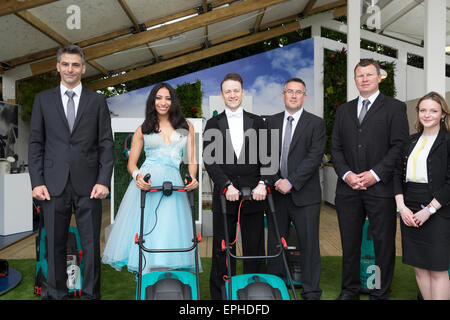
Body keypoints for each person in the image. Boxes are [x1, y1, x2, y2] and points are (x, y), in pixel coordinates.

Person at [28, 44, 114, 299]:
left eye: (75, 65)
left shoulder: (97, 101)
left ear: (83, 69)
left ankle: (91, 295)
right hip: (52, 186)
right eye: (65, 64)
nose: (70, 69)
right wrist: (37, 181)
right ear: (58, 67)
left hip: (90, 186)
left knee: (90, 247)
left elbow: (106, 143)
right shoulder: (42, 100)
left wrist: (103, 180)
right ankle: (56, 294)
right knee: (53, 246)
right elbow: (35, 144)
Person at [331, 58, 409, 300]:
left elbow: (399, 146)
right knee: (350, 243)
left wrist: (375, 174)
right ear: (355, 80)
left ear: (378, 78)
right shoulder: (343, 110)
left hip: (381, 188)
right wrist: (347, 175)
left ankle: (380, 292)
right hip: (348, 189)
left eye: (369, 74)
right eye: (359, 75)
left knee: (383, 245)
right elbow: (336, 147)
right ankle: (350, 290)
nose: (364, 79)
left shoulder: (395, 108)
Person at [102, 82, 199, 274]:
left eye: (168, 98)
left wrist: (193, 177)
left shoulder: (187, 126)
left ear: (173, 101)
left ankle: (167, 281)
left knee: (168, 232)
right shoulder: (143, 129)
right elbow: (131, 164)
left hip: (174, 186)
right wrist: (138, 176)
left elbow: (192, 159)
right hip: (147, 186)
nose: (163, 102)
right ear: (153, 101)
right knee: (146, 234)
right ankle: (148, 283)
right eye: (159, 98)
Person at [203, 72, 267, 299]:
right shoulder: (213, 123)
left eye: (236, 90)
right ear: (222, 94)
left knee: (255, 248)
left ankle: (254, 293)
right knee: (222, 250)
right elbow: (209, 159)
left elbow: (268, 157)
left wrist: (262, 184)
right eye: (228, 91)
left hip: (255, 197)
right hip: (225, 196)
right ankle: (221, 296)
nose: (232, 95)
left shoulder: (258, 121)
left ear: (242, 92)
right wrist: (226, 185)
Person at [264, 78, 325, 300]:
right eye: (290, 91)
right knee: (274, 245)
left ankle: (310, 292)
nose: (293, 95)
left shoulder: (316, 123)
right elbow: (265, 156)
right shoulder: (270, 122)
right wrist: (277, 180)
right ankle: (275, 289)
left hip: (304, 195)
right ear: (283, 95)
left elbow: (314, 156)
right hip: (276, 195)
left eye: (298, 92)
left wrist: (291, 181)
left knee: (309, 245)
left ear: (304, 96)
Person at [393, 91, 450, 300]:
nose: (427, 115)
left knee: (437, 268)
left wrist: (429, 210)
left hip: (439, 208)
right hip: (409, 207)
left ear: (443, 114)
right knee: (419, 267)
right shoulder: (410, 141)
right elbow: (396, 174)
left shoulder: (448, 141)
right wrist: (401, 206)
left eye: (433, 111)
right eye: (423, 110)